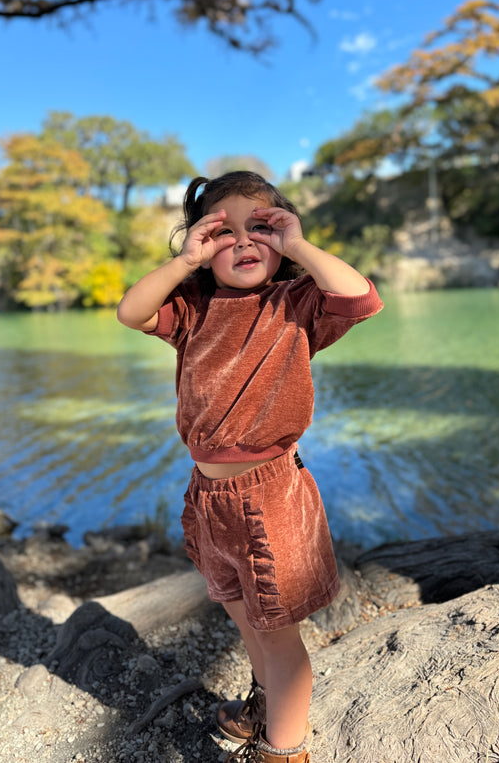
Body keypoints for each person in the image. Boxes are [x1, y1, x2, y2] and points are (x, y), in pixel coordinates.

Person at [117, 171, 383, 763]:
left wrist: (296, 245)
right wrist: (186, 261)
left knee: (278, 635)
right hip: (208, 498)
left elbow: (362, 297)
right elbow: (130, 312)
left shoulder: (296, 305)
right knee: (243, 613)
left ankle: (283, 752)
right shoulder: (192, 311)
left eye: (259, 229)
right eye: (222, 232)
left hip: (271, 496)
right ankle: (264, 703)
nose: (242, 243)